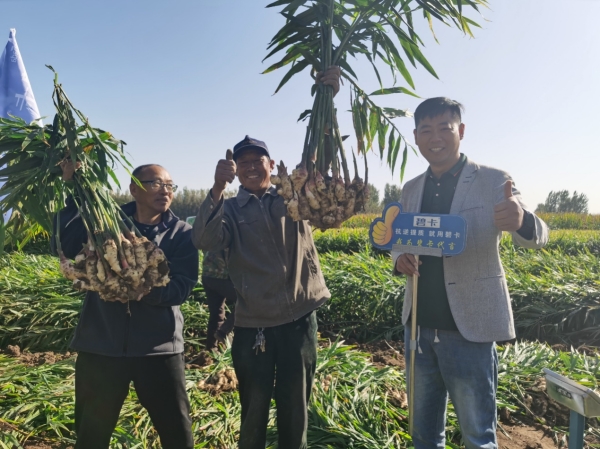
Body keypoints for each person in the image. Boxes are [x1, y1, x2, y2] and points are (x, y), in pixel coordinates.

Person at [192, 66, 340, 449]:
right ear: (236, 171)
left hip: (298, 319)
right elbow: (205, 240)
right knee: (253, 409)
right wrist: (216, 188)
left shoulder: (293, 197)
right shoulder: (230, 208)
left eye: (259, 159)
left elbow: (324, 169)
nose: (252, 165)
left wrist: (329, 101)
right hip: (253, 324)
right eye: (244, 162)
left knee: (295, 409)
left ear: (272, 165)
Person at [392, 97, 549, 449]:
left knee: (478, 436)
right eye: (426, 130)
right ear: (416, 137)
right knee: (423, 434)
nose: (436, 137)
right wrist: (399, 257)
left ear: (460, 131)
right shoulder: (411, 188)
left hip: (470, 329)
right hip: (418, 327)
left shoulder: (494, 180)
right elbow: (401, 239)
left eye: (445, 128)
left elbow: (540, 234)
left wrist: (522, 221)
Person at [52, 162, 199, 449]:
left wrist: (142, 288)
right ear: (134, 189)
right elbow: (67, 245)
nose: (165, 191)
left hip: (159, 349)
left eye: (170, 185)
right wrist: (73, 190)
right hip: (101, 346)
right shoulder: (105, 224)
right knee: (91, 434)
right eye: (156, 183)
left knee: (177, 433)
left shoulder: (181, 233)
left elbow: (183, 286)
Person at [201, 249, 236, 350]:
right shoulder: (231, 233)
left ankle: (211, 350)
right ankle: (223, 332)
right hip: (222, 277)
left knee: (216, 314)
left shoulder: (213, 233)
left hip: (207, 275)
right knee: (247, 301)